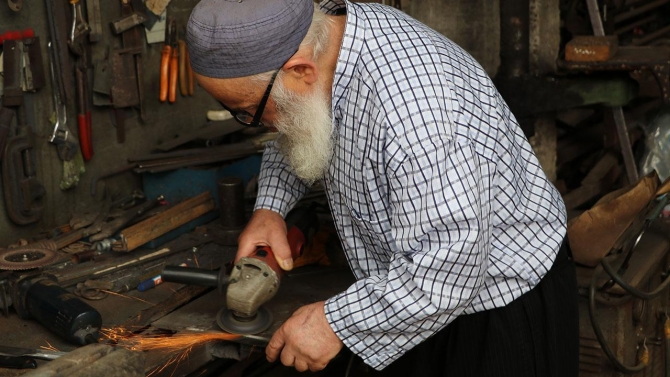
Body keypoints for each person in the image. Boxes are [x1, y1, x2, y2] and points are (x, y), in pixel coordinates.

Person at [186, 0, 579, 375]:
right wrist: (270, 209)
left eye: (249, 113)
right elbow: (294, 120)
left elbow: (450, 267)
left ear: (301, 70)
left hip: (493, 312)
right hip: (408, 296)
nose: (254, 123)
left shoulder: (416, 117)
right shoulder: (332, 40)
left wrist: (334, 324)